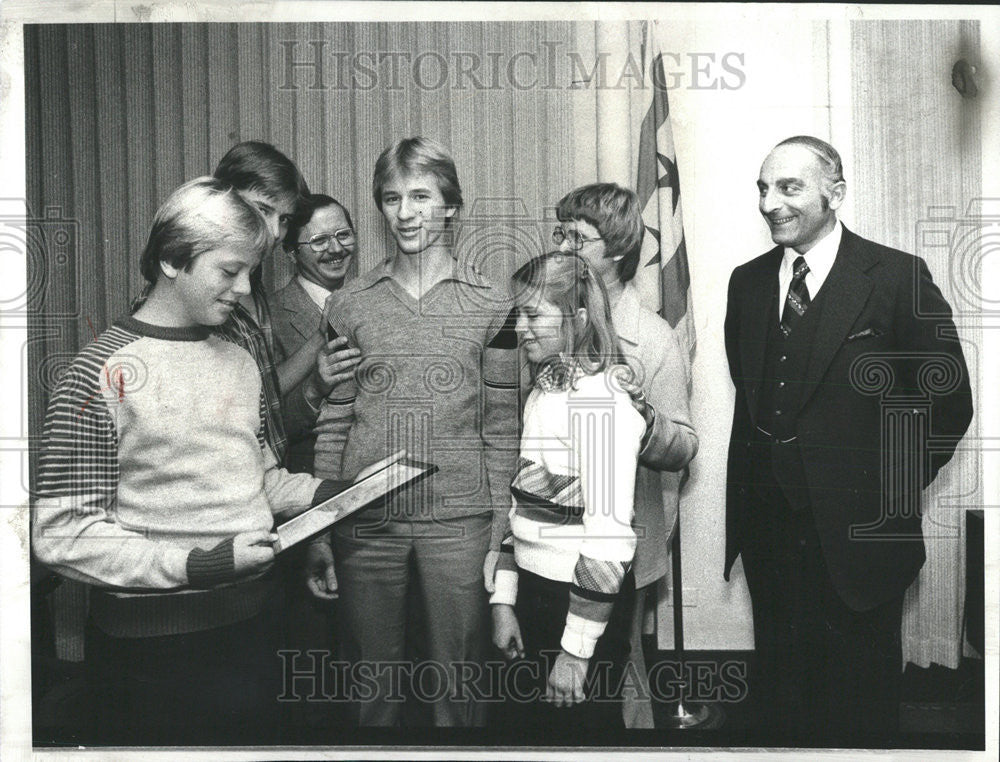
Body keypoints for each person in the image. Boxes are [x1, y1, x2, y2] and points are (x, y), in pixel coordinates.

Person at [30, 178, 354, 744]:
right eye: (230, 272)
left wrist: (328, 494)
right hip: (150, 656)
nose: (245, 289)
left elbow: (257, 480)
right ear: (172, 260)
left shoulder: (238, 360)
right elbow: (62, 534)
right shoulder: (94, 374)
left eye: (251, 272)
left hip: (257, 627)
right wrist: (196, 565)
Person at [724, 136, 973, 741]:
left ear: (835, 193)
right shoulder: (748, 283)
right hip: (770, 532)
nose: (769, 203)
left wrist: (885, 487)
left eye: (789, 187)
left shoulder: (895, 277)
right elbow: (754, 394)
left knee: (860, 707)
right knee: (783, 702)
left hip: (861, 541)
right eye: (763, 187)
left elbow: (948, 400)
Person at [305, 137, 520, 727]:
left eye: (421, 196)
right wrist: (321, 532)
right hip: (365, 522)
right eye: (392, 198)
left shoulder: (492, 303)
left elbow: (504, 429)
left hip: (461, 524)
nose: (405, 213)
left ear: (451, 205)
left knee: (461, 690)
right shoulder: (348, 305)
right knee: (371, 692)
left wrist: (502, 537)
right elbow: (336, 420)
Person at [548, 182, 699, 727]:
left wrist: (646, 421)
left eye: (576, 239)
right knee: (550, 686)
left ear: (613, 252)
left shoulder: (652, 338)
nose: (561, 248)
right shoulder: (547, 321)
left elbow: (684, 446)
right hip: (546, 537)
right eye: (559, 233)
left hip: (618, 544)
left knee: (605, 682)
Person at [489, 251, 646, 737]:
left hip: (580, 607)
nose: (521, 329)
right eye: (520, 314)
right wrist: (504, 601)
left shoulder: (601, 403)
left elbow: (608, 541)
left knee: (583, 740)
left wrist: (576, 653)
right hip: (535, 597)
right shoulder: (545, 390)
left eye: (534, 315)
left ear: (577, 319)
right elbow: (523, 509)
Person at [270, 193, 362, 475]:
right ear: (291, 251)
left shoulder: (371, 301)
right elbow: (265, 427)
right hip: (308, 485)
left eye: (343, 235)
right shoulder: (269, 316)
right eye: (319, 241)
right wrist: (314, 389)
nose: (336, 249)